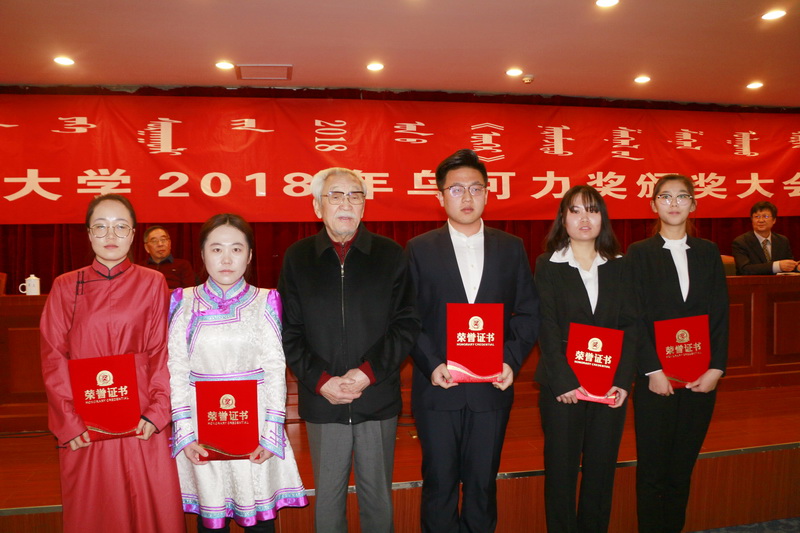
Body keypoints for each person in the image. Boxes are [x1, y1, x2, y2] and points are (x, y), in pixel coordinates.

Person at [278, 167, 420, 533]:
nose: (346, 204)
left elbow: (406, 324)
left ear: (364, 206)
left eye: (355, 196)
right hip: (323, 399)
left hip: (376, 396)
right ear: (317, 206)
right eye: (336, 196)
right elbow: (290, 331)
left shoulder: (390, 254)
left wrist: (367, 373)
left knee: (378, 500)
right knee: (328, 500)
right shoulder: (298, 258)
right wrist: (321, 380)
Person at [406, 149, 539, 533]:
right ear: (440, 196)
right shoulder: (419, 248)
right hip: (439, 388)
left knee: (482, 485)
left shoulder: (510, 247)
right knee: (439, 484)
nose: (467, 197)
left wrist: (510, 360)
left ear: (487, 193)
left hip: (491, 388)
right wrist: (432, 363)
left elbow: (529, 312)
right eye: (456, 189)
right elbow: (407, 317)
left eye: (475, 188)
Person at [39, 193, 184, 533]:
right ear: (89, 233)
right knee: (97, 513)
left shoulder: (152, 282)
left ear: (133, 234)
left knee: (150, 511)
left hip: (141, 420)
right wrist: (69, 422)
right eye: (100, 227)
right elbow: (53, 356)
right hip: (86, 422)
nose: (110, 235)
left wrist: (158, 411)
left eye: (120, 227)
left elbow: (161, 350)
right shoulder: (65, 286)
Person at [167, 213, 308, 532]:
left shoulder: (265, 300)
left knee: (258, 520)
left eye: (236, 249)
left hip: (254, 429)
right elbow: (176, 368)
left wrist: (271, 434)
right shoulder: (182, 301)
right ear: (202, 254)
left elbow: (275, 368)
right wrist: (185, 434)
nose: (227, 259)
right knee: (211, 521)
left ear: (250, 255)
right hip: (202, 428)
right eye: (216, 249)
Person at [627, 174, 729, 533]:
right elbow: (634, 317)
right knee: (653, 470)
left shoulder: (708, 252)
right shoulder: (639, 253)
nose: (673, 203)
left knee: (681, 468)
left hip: (701, 380)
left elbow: (720, 314)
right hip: (657, 382)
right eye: (665, 197)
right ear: (653, 204)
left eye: (682, 196)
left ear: (693, 204)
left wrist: (717, 368)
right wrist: (652, 370)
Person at [534, 185, 636, 533]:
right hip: (563, 389)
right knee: (560, 473)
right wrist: (563, 381)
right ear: (563, 219)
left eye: (592, 210)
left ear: (602, 218)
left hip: (609, 388)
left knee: (601, 471)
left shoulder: (620, 265)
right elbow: (546, 326)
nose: (584, 218)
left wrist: (622, 381)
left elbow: (630, 325)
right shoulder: (548, 265)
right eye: (575, 210)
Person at [731, 201, 797, 275]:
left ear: (774, 220)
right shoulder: (741, 242)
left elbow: (788, 265)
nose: (761, 220)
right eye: (757, 217)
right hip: (752, 282)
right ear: (751, 219)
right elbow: (744, 269)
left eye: (766, 216)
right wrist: (777, 266)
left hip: (779, 282)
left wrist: (796, 267)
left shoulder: (782, 241)